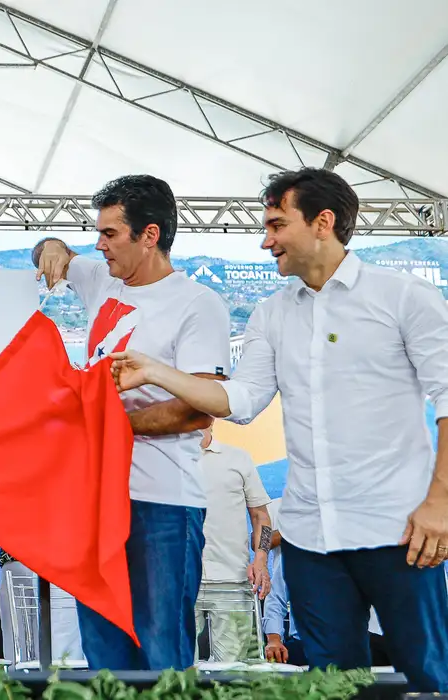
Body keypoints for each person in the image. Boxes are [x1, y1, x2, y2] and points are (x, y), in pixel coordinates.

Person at [108, 168, 448, 691]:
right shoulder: (270, 314)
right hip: (311, 541)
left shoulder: (403, 297)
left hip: (398, 530)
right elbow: (239, 401)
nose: (265, 241)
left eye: (276, 224)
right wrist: (155, 370)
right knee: (332, 686)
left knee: (430, 681)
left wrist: (440, 503)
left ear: (323, 222)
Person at [33, 175, 231, 671]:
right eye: (96, 234)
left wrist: (109, 426)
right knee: (102, 649)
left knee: (161, 648)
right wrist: (51, 246)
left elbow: (197, 407)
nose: (99, 246)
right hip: (96, 498)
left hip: (162, 501)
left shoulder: (198, 304)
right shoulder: (103, 278)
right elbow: (44, 249)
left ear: (150, 235)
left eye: (110, 235)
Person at [195, 426, 272, 662]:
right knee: (174, 668)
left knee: (231, 672)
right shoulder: (164, 459)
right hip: (177, 581)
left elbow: (261, 516)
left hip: (233, 579)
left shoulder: (237, 458)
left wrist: (261, 560)